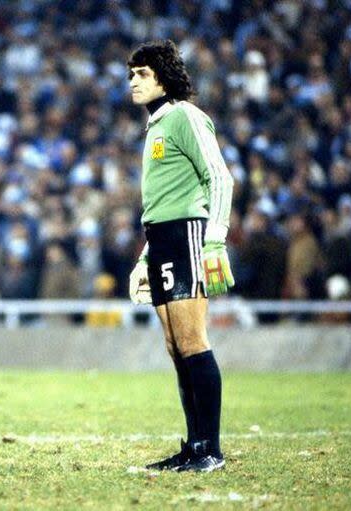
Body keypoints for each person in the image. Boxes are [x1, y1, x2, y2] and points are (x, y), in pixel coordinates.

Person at [127, 40, 234, 473]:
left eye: (142, 74)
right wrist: (143, 257)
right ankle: (193, 446)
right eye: (131, 75)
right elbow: (163, 201)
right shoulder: (156, 125)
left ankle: (211, 450)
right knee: (175, 347)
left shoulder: (186, 116)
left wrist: (215, 240)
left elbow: (220, 178)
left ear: (163, 77)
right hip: (162, 239)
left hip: (190, 236)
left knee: (192, 341)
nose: (133, 82)